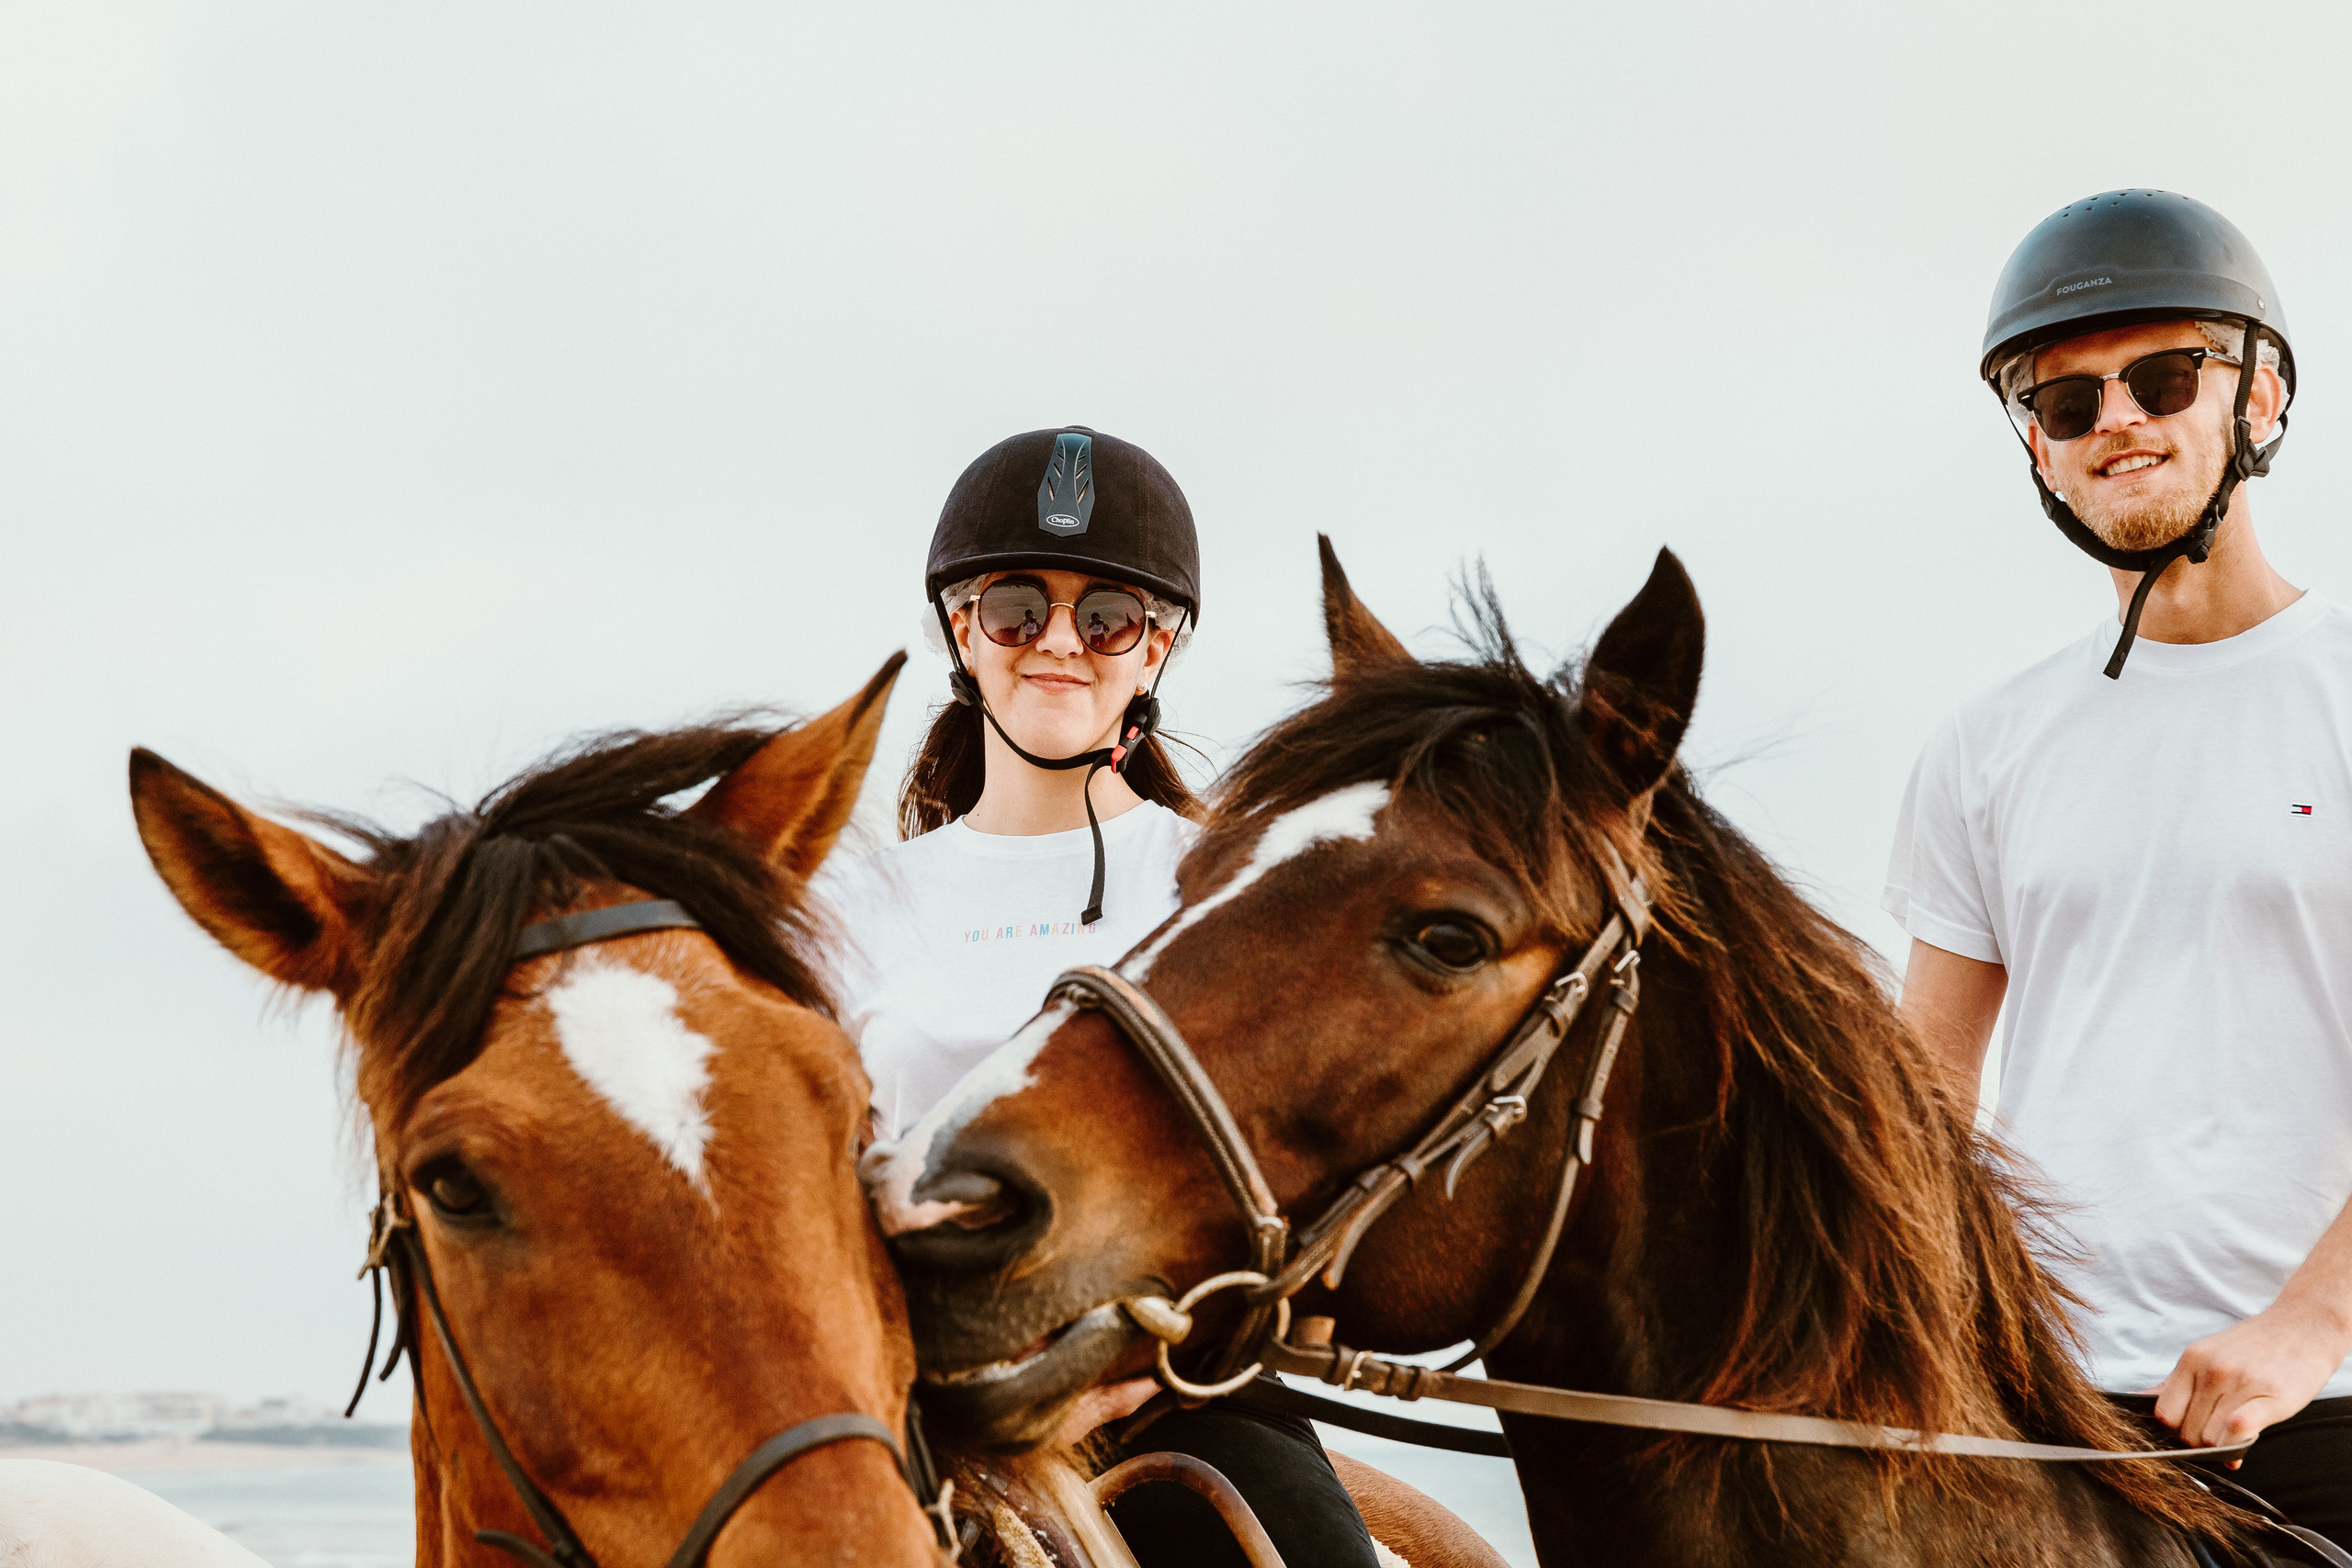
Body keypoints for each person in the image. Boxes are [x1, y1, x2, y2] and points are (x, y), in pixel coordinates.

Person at [818, 425, 1380, 1568]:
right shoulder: (854, 901)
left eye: (1106, 617)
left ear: (1156, 647)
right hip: (903, 1387)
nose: (1058, 644)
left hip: (1179, 1391)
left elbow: (1293, 1166)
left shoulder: (1224, 882)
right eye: (1019, 608)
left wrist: (1127, 1369)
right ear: (963, 632)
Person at [1886, 190, 2352, 1549]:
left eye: (2160, 378)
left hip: (2326, 1398)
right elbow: (1925, 1098)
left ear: (2258, 393)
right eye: (2070, 400)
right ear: (2038, 441)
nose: (2118, 423)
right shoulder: (1985, 743)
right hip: (2051, 1415)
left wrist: (2307, 1322)